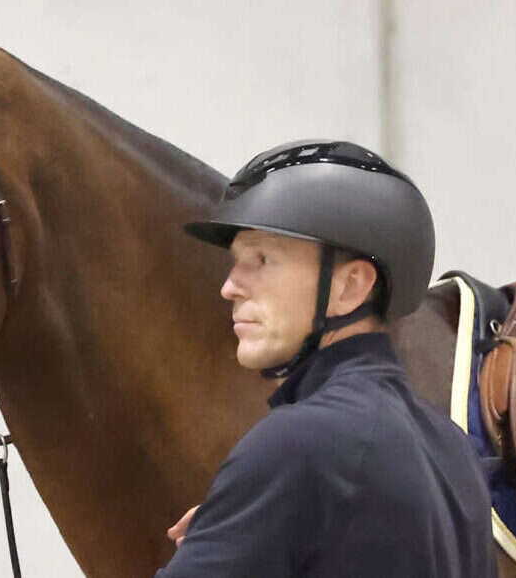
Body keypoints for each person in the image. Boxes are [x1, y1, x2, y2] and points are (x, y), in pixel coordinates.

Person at [157, 140, 495, 577]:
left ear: (351, 286)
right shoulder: (453, 451)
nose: (230, 287)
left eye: (262, 259)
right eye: (235, 262)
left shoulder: (295, 445)